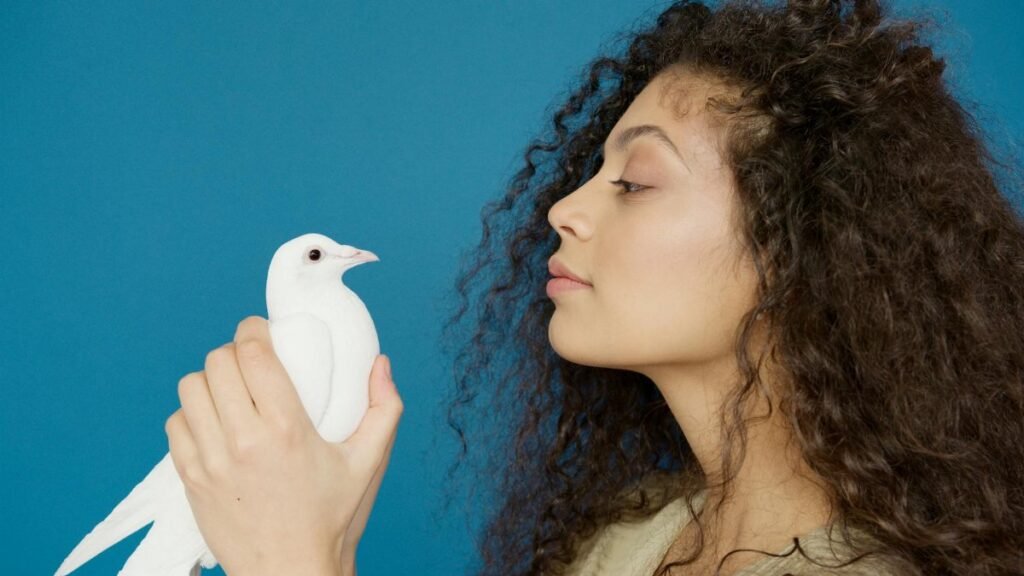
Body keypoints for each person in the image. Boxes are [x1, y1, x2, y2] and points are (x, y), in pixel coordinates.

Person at [165, 0, 1024, 575]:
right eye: (592, 170)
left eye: (636, 181)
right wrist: (326, 543)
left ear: (801, 248)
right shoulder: (623, 544)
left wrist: (293, 563)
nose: (561, 208)